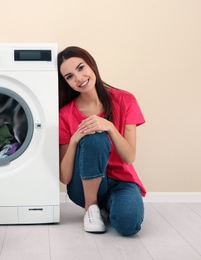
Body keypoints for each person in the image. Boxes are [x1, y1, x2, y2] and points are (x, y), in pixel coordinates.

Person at [58, 46, 146, 236]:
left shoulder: (125, 100)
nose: (79, 78)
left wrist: (110, 127)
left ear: (91, 65)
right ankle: (91, 208)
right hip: (82, 187)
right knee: (94, 137)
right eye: (69, 76)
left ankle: (106, 207)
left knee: (128, 226)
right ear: (66, 83)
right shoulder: (64, 114)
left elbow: (129, 157)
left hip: (122, 182)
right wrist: (74, 141)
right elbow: (64, 178)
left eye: (81, 68)